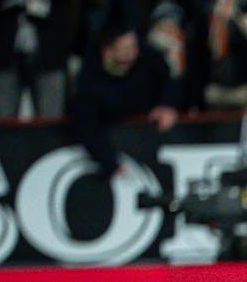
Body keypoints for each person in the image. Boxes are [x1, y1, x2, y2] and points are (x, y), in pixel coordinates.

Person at [69, 23, 178, 177]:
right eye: (126, 49)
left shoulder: (147, 57)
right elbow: (87, 125)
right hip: (113, 139)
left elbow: (170, 81)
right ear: (108, 52)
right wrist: (109, 161)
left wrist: (166, 105)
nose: (133, 54)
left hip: (148, 134)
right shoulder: (90, 80)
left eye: (134, 47)